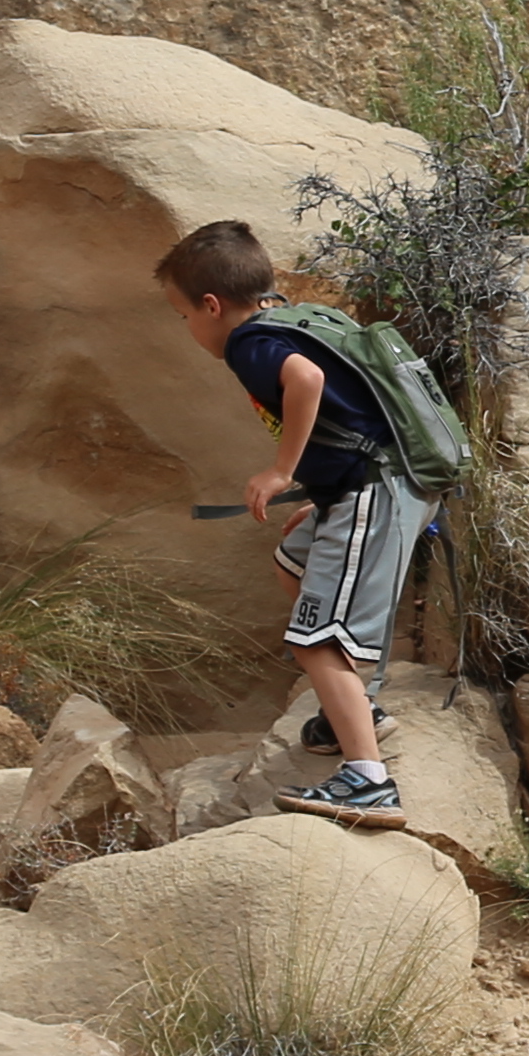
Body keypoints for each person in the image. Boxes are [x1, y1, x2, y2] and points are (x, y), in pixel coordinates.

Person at [160, 218, 416, 818]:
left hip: (374, 490)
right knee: (291, 564)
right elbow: (347, 416)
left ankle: (368, 777)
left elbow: (307, 380)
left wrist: (280, 471)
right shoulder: (288, 317)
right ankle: (351, 707)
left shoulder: (250, 343)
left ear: (212, 305)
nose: (188, 328)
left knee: (317, 638)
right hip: (366, 484)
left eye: (184, 315)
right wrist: (320, 493)